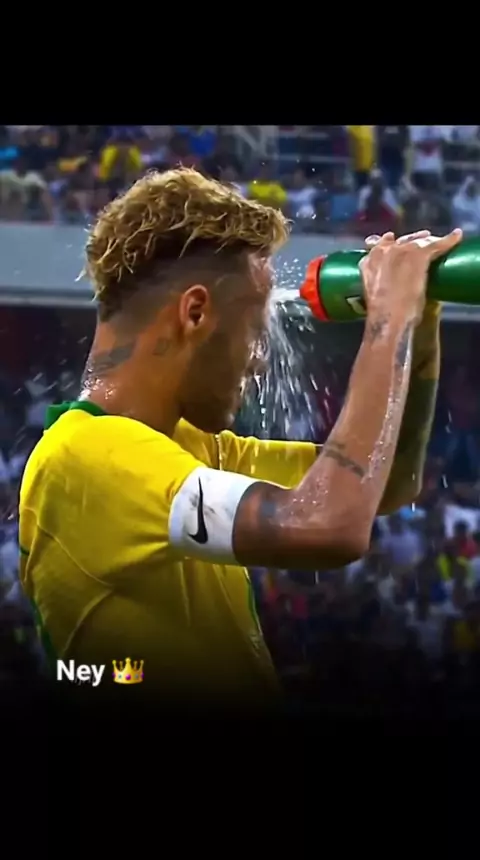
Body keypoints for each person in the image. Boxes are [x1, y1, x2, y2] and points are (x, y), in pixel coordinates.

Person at [18, 167, 462, 712]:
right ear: (194, 313)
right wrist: (388, 321)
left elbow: (387, 482)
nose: (259, 361)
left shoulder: (188, 448)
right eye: (255, 332)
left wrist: (417, 321)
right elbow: (328, 526)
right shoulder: (86, 458)